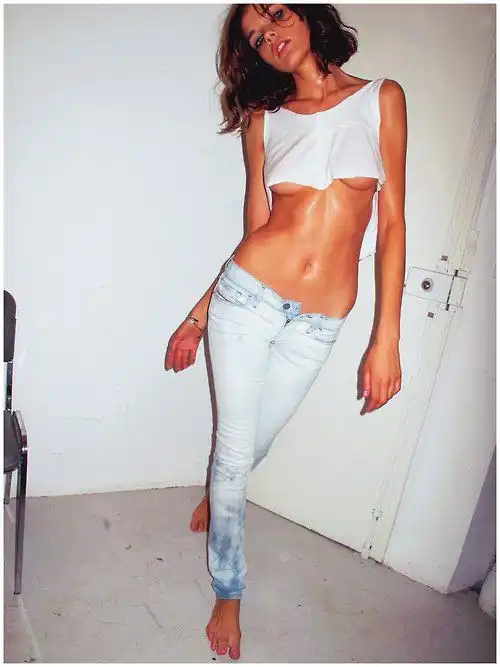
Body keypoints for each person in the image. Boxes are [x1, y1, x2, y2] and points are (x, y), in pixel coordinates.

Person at [164, 3, 406, 660]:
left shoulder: (382, 99)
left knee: (255, 443)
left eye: (274, 14)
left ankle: (218, 494)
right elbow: (254, 231)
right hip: (248, 297)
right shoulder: (263, 119)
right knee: (234, 453)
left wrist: (386, 337)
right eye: (254, 35)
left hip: (321, 320)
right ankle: (229, 589)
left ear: (307, 13)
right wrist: (199, 315)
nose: (268, 34)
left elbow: (392, 225)